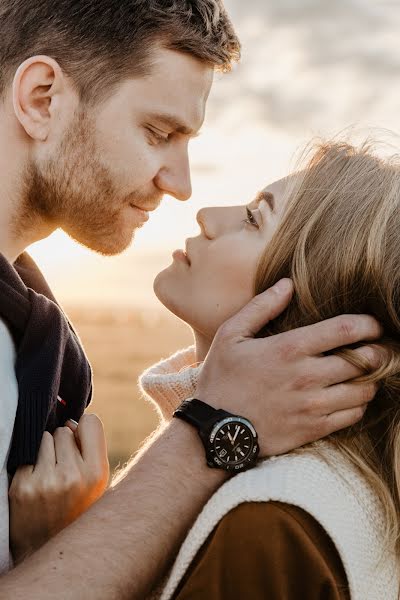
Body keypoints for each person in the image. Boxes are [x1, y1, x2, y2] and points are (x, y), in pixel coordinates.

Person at [0, 1, 381, 598]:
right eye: (158, 132)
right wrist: (212, 425)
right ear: (42, 97)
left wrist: (60, 550)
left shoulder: (46, 348)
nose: (183, 187)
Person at [140, 140, 400, 599]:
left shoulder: (266, 526)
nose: (207, 214)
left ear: (313, 300)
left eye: (254, 219)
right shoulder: (349, 493)